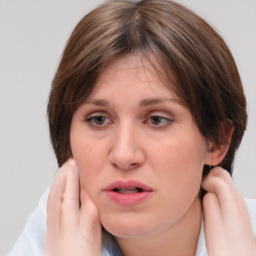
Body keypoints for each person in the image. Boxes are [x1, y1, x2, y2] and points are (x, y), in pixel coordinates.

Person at [8, 0, 256, 255]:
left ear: (217, 141)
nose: (124, 155)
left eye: (157, 120)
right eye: (99, 119)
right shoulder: (49, 235)